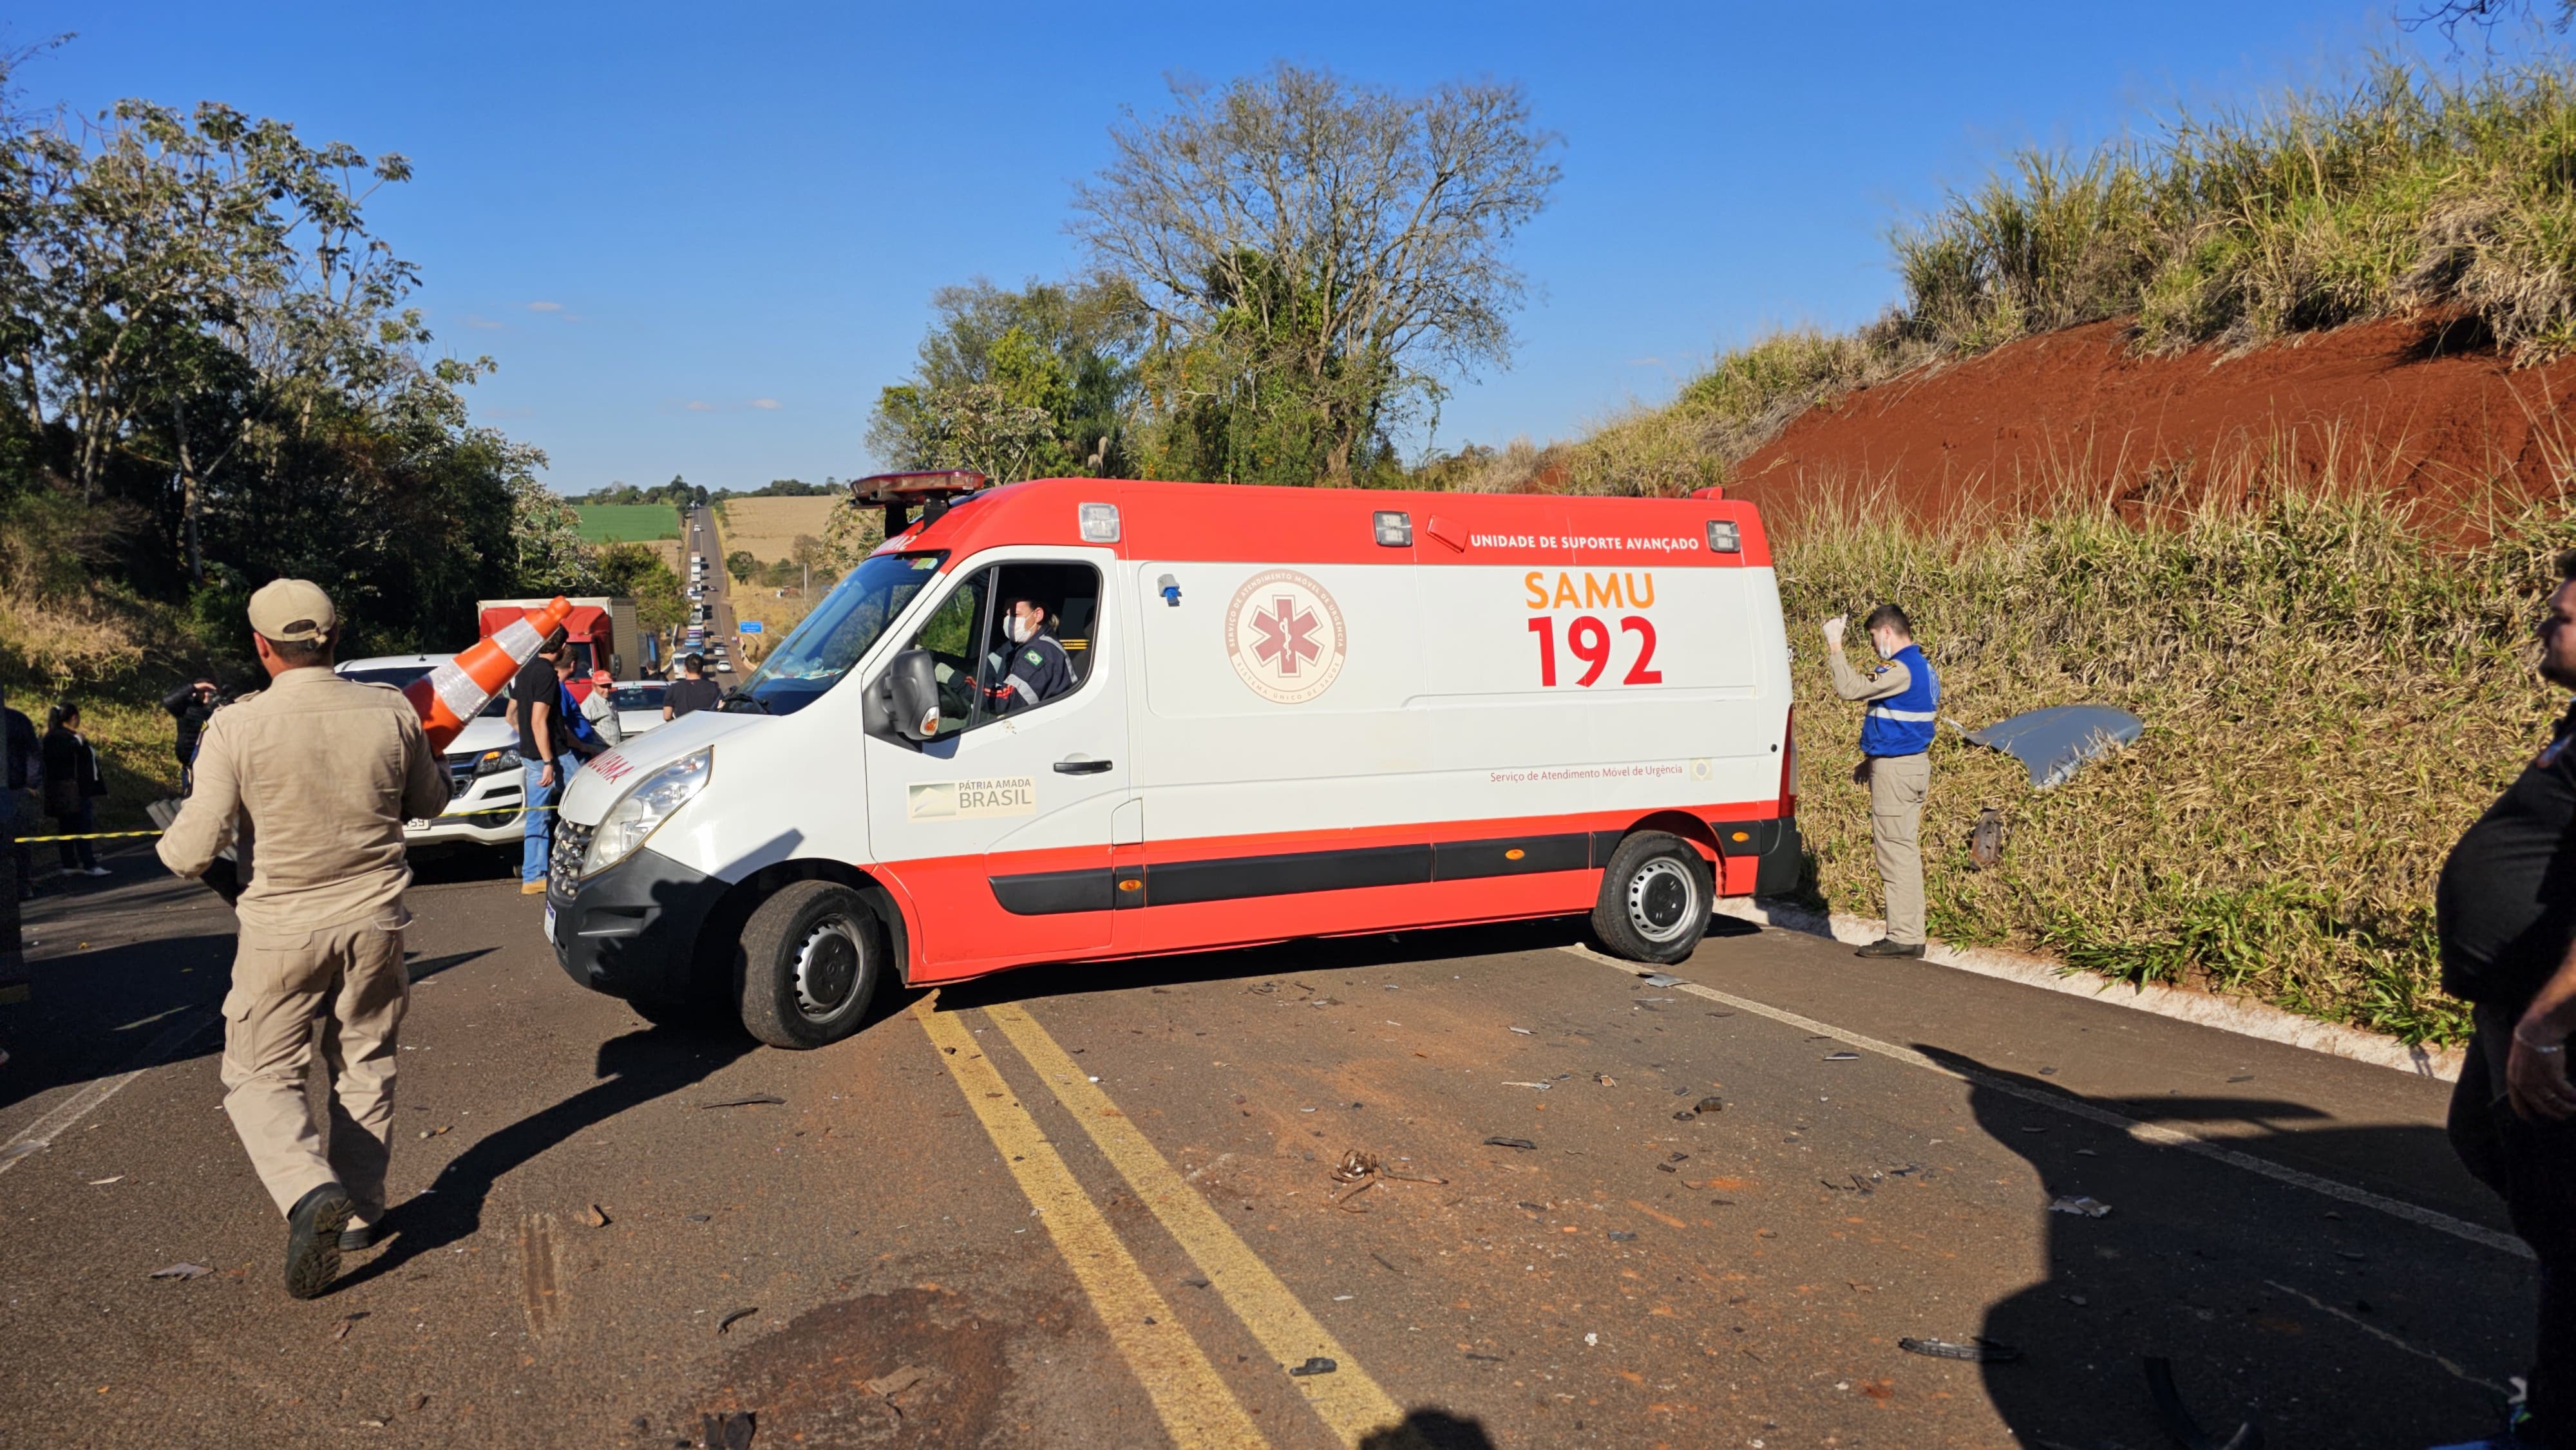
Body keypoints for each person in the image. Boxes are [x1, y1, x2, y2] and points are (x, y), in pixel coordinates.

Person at [155, 579, 448, 1301]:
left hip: (280, 929)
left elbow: (191, 852)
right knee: (365, 1062)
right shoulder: (391, 710)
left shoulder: (236, 725)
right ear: (335, 636)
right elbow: (431, 801)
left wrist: (169, 829)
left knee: (260, 1075)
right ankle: (361, 1214)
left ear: (261, 646)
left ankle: (308, 1188)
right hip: (376, 922)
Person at [2430, 550, 2576, 1450]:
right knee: (2488, 1150)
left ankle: (2551, 1426)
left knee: (2569, 1226)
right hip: (2513, 1009)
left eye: (2564, 614)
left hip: (2553, 1023)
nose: (2547, 620)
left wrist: (2549, 1023)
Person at [1823, 603, 1939, 959]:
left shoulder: (1900, 668)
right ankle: (1910, 934)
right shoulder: (1923, 667)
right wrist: (1871, 760)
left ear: (1887, 631)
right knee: (1904, 851)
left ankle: (1904, 937)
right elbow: (1902, 721)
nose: (1874, 645)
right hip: (1910, 765)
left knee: (1894, 854)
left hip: (1897, 771)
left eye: (1874, 637)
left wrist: (1835, 645)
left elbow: (1850, 688)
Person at [513, 632, 576, 896]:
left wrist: (528, 740)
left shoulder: (524, 671)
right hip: (553, 756)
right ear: (563, 646)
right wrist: (549, 761)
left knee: (537, 815)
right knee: (590, 800)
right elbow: (539, 720)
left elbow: (511, 714)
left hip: (529, 754)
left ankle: (533, 876)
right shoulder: (547, 674)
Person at [41, 702, 109, 878]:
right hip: (73, 790)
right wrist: (78, 741)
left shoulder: (57, 735)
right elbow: (61, 756)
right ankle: (88, 864)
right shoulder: (60, 737)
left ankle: (70, 863)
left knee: (68, 827)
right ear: (74, 717)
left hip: (68, 790)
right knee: (81, 827)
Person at [981, 592, 1074, 716]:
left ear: (1037, 615)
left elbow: (1007, 702)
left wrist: (959, 683)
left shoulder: (1042, 651)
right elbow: (984, 667)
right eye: (1006, 615)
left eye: (1015, 615)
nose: (1008, 621)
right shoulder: (1016, 646)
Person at [164, 677, 220, 791]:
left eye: (210, 691)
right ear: (195, 693)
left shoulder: (217, 710)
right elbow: (168, 701)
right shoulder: (186, 707)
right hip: (191, 761)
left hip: (212, 761)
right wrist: (193, 687)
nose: (207, 694)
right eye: (203, 691)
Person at [5, 699, 35, 899]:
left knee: (19, 841)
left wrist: (32, 783)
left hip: (14, 790)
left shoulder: (16, 720)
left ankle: (23, 885)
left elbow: (32, 753)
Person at [661, 654, 723, 720]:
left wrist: (677, 723)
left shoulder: (673, 689)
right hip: (707, 725)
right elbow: (722, 710)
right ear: (702, 668)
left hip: (684, 725)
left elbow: (667, 716)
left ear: (685, 668)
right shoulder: (713, 688)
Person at [579, 668, 625, 748]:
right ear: (594, 686)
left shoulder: (609, 698)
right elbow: (580, 726)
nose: (607, 690)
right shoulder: (591, 703)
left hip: (614, 748)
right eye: (603, 686)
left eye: (609, 686)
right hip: (601, 749)